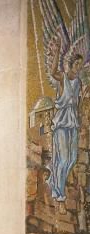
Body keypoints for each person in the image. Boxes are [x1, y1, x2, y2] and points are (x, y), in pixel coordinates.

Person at [47, 37, 84, 215]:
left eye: (81, 66)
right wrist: (56, 52)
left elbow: (78, 105)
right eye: (77, 65)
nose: (79, 69)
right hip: (61, 124)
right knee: (62, 160)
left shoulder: (78, 83)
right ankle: (59, 195)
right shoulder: (63, 79)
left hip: (73, 124)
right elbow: (53, 71)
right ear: (70, 65)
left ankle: (57, 183)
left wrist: (81, 122)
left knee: (72, 159)